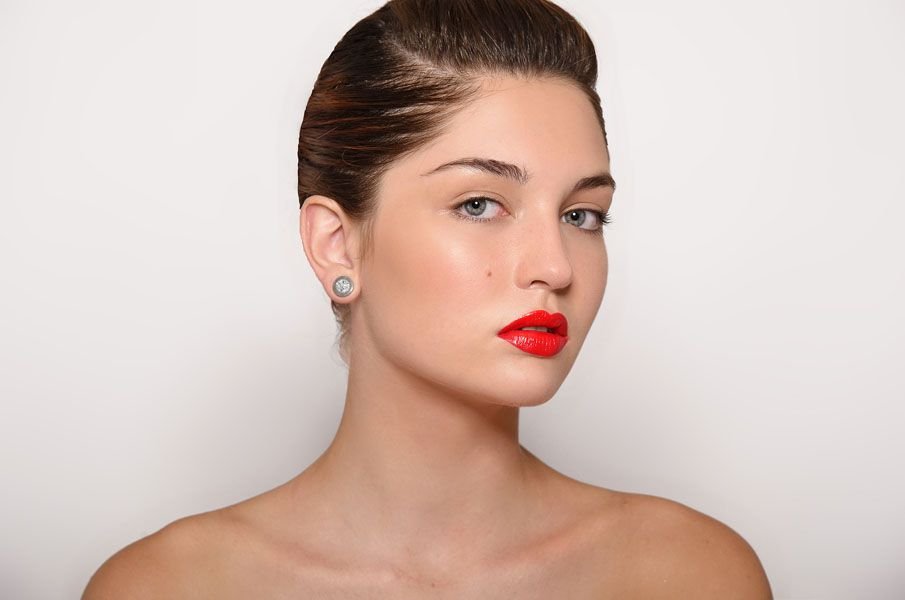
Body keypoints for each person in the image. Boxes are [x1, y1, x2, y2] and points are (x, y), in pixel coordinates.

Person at [83, 0, 772, 597]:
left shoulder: (690, 575)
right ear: (336, 245)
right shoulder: (166, 587)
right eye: (478, 204)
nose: (555, 266)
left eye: (580, 215)